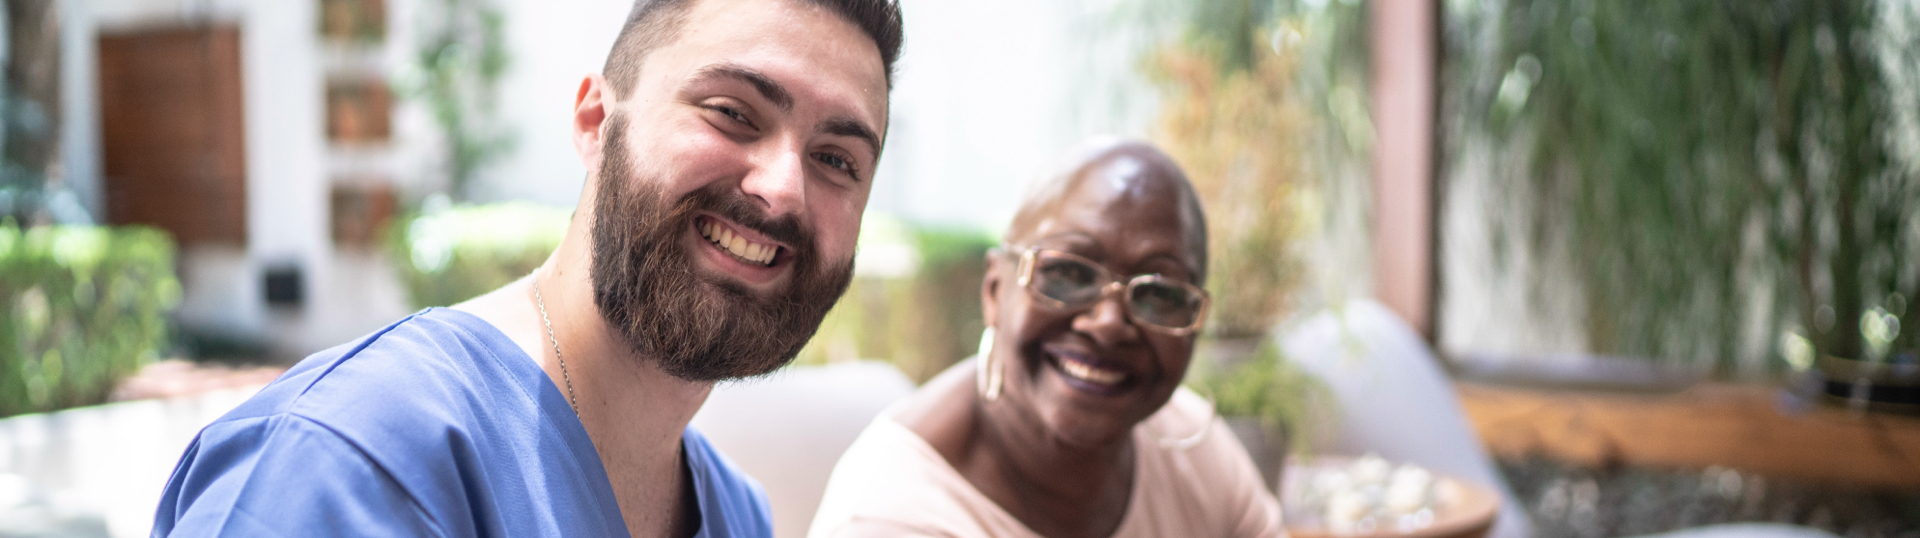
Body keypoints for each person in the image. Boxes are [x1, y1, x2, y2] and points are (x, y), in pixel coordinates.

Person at [152, 0, 902, 536]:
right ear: (596, 122)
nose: (782, 188)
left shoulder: (738, 513)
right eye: (732, 113)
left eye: (838, 160)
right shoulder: (350, 460)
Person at [809, 138, 1285, 538]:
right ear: (995, 289)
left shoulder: (1192, 446)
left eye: (1159, 292)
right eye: (1068, 272)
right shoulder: (893, 513)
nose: (1108, 322)